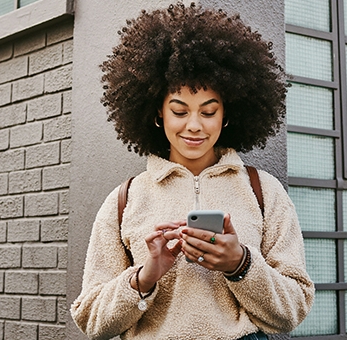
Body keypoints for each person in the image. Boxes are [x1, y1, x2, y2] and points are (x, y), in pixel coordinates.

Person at [70, 3, 315, 339]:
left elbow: (293, 310)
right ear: (159, 113)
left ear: (227, 114)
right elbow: (92, 321)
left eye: (209, 111)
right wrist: (145, 276)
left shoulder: (263, 191)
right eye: (179, 110)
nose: (195, 126)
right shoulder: (125, 199)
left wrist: (240, 264)